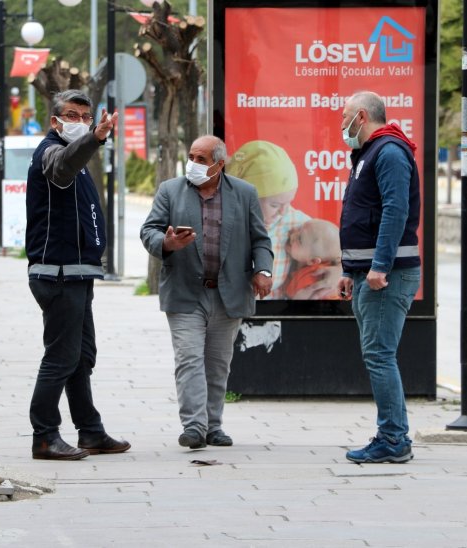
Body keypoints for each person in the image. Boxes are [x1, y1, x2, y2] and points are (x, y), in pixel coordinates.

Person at [140, 135, 273, 449]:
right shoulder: (170, 190)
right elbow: (149, 230)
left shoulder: (244, 193)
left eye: (202, 159)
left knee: (217, 364)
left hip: (228, 294)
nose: (194, 164)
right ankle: (194, 427)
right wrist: (166, 244)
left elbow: (261, 240)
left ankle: (214, 426)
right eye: (192, 157)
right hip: (185, 292)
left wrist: (263, 270)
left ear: (219, 164)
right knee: (189, 360)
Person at [25, 90, 130, 460]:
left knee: (82, 356)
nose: (80, 123)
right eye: (72, 115)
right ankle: (44, 435)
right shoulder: (50, 153)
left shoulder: (81, 157)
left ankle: (90, 431)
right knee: (61, 356)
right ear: (55, 121)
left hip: (78, 273)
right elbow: (62, 165)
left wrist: (91, 141)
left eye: (86, 117)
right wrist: (95, 137)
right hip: (57, 274)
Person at [336, 91, 421, 464]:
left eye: (345, 117)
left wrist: (380, 267)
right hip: (367, 274)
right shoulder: (369, 154)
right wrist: (349, 270)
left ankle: (393, 438)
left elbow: (395, 210)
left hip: (388, 276)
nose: (342, 125)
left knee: (379, 355)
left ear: (362, 115)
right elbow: (362, 215)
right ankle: (393, 435)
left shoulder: (387, 152)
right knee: (378, 354)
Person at [226, 140, 340, 300]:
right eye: (274, 204)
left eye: (288, 202)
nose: (282, 211)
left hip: (272, 315)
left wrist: (340, 271)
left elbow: (329, 244)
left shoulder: (292, 222)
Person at [284, 219, 342, 299]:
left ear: (313, 261)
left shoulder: (311, 279)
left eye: (300, 239)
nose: (293, 233)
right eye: (299, 228)